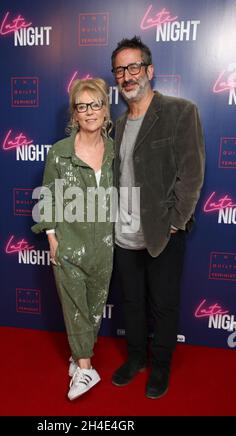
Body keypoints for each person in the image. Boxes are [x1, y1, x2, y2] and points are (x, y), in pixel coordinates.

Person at [111, 36, 205, 399]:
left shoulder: (181, 112)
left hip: (162, 233)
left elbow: (192, 174)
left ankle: (160, 367)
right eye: (120, 70)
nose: (127, 75)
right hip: (123, 234)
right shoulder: (117, 126)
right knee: (132, 303)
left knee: (163, 306)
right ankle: (136, 359)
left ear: (149, 70)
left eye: (134, 67)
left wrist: (174, 222)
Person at [31, 78, 114, 400]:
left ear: (105, 109)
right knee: (74, 307)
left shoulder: (115, 152)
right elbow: (48, 196)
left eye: (96, 105)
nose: (90, 112)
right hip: (69, 242)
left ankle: (77, 356)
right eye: (83, 106)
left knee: (94, 308)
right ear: (75, 113)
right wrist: (52, 237)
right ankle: (86, 367)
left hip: (105, 245)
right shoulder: (59, 152)